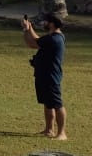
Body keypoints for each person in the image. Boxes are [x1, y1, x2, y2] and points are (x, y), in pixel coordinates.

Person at [24, 13, 67, 141]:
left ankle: (62, 133)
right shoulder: (53, 37)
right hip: (44, 75)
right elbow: (38, 40)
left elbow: (32, 43)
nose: (44, 23)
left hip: (51, 77)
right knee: (48, 103)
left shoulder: (54, 39)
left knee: (57, 104)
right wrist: (30, 28)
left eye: (46, 21)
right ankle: (49, 129)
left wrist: (26, 29)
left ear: (52, 23)